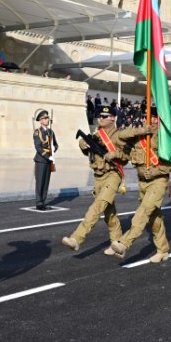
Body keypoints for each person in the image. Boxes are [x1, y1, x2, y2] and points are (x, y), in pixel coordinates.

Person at [111, 108, 171, 262]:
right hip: (142, 182)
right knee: (153, 217)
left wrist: (155, 172)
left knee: (143, 211)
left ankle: (124, 242)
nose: (152, 121)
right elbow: (120, 137)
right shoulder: (138, 136)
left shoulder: (165, 137)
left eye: (155, 118)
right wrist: (142, 130)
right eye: (148, 117)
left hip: (158, 180)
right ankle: (162, 250)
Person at [62, 106, 126, 256]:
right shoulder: (96, 134)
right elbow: (89, 153)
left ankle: (77, 238)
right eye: (100, 116)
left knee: (97, 207)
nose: (101, 118)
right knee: (109, 213)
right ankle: (118, 244)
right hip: (98, 176)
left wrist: (114, 154)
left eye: (105, 116)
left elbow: (126, 156)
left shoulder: (120, 136)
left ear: (113, 118)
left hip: (113, 174)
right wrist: (83, 145)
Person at [33, 110, 58, 210]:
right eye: (45, 118)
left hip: (49, 160)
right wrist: (48, 156)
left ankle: (43, 201)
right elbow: (38, 147)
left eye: (48, 118)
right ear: (40, 120)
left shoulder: (51, 132)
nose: (47, 120)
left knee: (46, 181)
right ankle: (39, 203)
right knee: (40, 181)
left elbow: (56, 144)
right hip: (41, 160)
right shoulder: (37, 132)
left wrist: (54, 149)